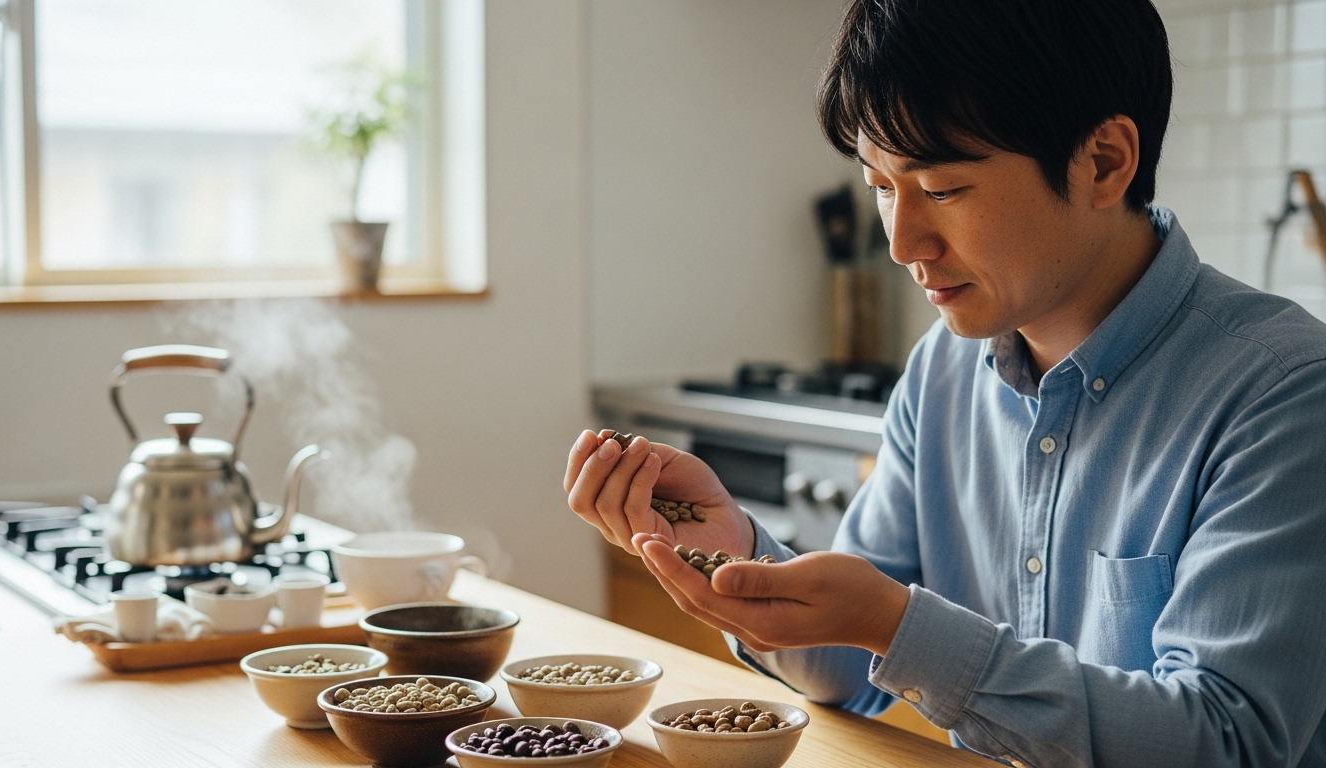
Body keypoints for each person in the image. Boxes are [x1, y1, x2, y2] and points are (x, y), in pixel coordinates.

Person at [563, 0, 1326, 765]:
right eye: (882, 186)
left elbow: (1229, 743)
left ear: (1104, 161)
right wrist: (740, 557)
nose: (901, 243)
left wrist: (898, 626)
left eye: (941, 189)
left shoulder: (1284, 393)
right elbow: (852, 663)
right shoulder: (943, 370)